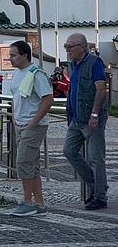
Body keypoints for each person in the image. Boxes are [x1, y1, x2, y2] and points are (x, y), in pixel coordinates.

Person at [63, 32, 108, 210]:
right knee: (69, 151)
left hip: (91, 118)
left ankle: (100, 196)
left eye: (69, 47)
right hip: (76, 118)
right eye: (66, 47)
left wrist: (95, 114)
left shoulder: (94, 63)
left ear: (82, 47)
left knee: (96, 157)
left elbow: (101, 89)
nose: (67, 50)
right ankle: (98, 185)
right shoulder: (73, 64)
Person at [7, 40, 54, 216]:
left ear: (25, 55)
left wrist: (34, 121)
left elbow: (48, 98)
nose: (10, 59)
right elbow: (16, 97)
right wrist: (14, 117)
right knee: (32, 164)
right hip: (21, 123)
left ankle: (27, 201)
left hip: (33, 125)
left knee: (23, 161)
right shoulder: (18, 74)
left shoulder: (36, 74)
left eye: (13, 55)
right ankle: (39, 204)